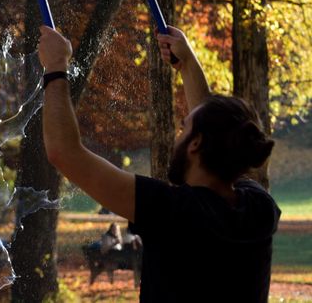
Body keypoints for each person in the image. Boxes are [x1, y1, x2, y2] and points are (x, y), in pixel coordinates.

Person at [38, 25, 280, 301]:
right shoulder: (258, 210)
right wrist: (187, 63)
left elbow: (64, 153)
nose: (179, 132)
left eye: (184, 126)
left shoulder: (171, 211)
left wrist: (56, 66)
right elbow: (218, 132)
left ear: (196, 143)